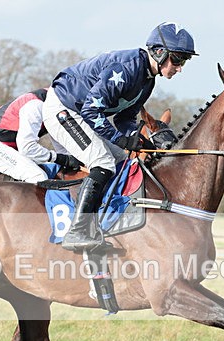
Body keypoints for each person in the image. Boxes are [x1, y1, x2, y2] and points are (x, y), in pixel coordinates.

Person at [42, 22, 197, 250]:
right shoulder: (127, 69)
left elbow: (125, 118)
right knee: (103, 162)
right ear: (159, 52)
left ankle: (102, 223)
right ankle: (77, 231)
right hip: (65, 110)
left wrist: (136, 138)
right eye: (177, 60)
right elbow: (91, 111)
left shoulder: (147, 81)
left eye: (184, 61)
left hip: (82, 114)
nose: (180, 68)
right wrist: (120, 139)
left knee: (123, 161)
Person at [0, 88, 82, 183]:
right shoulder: (35, 106)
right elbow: (27, 148)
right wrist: (59, 158)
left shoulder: (53, 103)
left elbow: (62, 148)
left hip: (10, 145)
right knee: (38, 176)